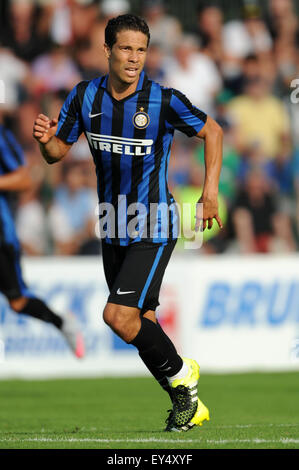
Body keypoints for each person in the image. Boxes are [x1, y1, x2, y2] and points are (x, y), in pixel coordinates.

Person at [33, 14, 223, 432]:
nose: (134, 57)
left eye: (141, 49)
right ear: (107, 50)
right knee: (140, 323)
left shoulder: (163, 99)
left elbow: (213, 132)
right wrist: (46, 141)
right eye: (125, 48)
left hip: (154, 223)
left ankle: (183, 378)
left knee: (117, 316)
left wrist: (209, 193)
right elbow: (57, 153)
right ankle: (186, 403)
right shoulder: (84, 97)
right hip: (112, 224)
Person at [0, 113, 85, 358]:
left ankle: (62, 322)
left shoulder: (2, 137)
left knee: (18, 302)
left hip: (1, 235)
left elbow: (24, 178)